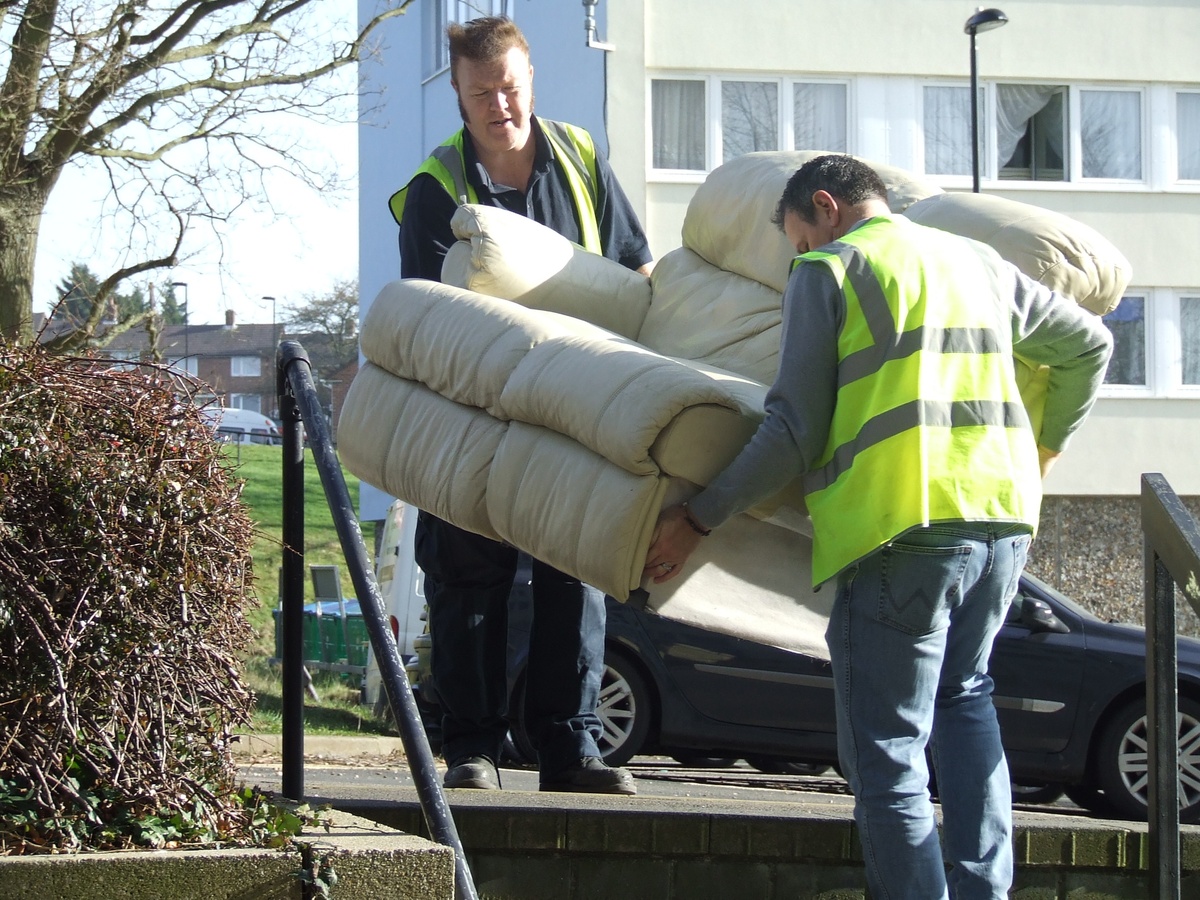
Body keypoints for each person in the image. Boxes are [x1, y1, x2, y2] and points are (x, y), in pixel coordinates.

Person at [643, 155, 1112, 897]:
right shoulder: (975, 262)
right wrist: (1043, 448)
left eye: (799, 239)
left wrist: (698, 518)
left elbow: (793, 430)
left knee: (889, 752)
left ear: (825, 208)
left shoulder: (830, 272)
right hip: (1002, 525)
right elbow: (1091, 345)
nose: (801, 255)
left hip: (902, 532)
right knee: (966, 700)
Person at [390, 16, 653, 795]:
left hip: (578, 407)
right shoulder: (436, 189)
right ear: (459, 99)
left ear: (530, 79)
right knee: (467, 576)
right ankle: (472, 748)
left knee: (576, 574)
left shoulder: (580, 158)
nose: (499, 106)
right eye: (481, 95)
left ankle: (568, 750)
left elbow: (636, 267)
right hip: (476, 412)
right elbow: (428, 319)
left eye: (508, 87)